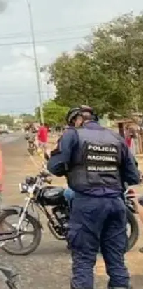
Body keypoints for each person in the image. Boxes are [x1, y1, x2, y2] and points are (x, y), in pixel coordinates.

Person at [47, 105, 140, 289]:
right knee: (116, 259)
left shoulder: (73, 135)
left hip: (87, 204)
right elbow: (133, 176)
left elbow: (55, 167)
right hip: (116, 204)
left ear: (77, 120)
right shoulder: (116, 137)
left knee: (83, 259)